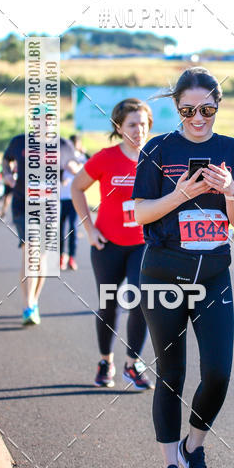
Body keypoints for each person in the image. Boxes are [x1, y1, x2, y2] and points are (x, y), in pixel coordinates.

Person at [133, 67, 234, 468]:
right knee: (171, 374)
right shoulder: (158, 148)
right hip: (162, 273)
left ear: (218, 106)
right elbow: (140, 213)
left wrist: (230, 190)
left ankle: (193, 446)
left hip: (214, 275)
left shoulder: (233, 151)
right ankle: (170, 467)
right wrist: (180, 195)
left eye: (206, 109)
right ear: (177, 108)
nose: (197, 118)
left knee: (218, 372)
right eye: (187, 110)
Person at [72, 99, 155, 391]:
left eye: (143, 124)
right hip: (107, 244)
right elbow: (76, 187)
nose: (139, 130)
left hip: (142, 244)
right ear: (119, 128)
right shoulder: (105, 158)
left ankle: (132, 363)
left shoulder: (157, 157)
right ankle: (105, 361)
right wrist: (89, 230)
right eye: (132, 124)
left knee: (142, 302)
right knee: (108, 306)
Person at [3, 122, 77, 325]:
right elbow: (6, 159)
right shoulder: (19, 142)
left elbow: (74, 166)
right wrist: (7, 174)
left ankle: (34, 302)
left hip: (50, 208)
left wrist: (74, 171)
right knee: (31, 249)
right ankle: (28, 305)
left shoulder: (63, 145)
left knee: (42, 257)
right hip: (23, 205)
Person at [60, 134, 87, 270]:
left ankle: (71, 257)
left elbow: (86, 172)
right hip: (60, 198)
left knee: (72, 228)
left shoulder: (81, 158)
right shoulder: (60, 156)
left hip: (74, 198)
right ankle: (61, 256)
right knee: (59, 229)